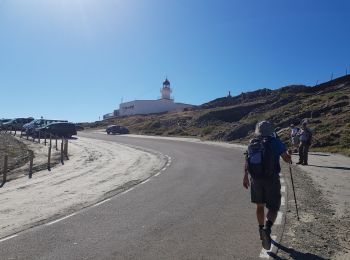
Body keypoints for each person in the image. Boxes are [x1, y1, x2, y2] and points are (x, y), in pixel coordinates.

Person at [243, 121, 291, 250]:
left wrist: (245, 176)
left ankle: (260, 230)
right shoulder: (276, 142)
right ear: (271, 130)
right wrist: (289, 155)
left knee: (260, 206)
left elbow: (247, 161)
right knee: (273, 208)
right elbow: (287, 159)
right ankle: (267, 228)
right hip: (271, 179)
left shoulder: (252, 142)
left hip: (255, 179)